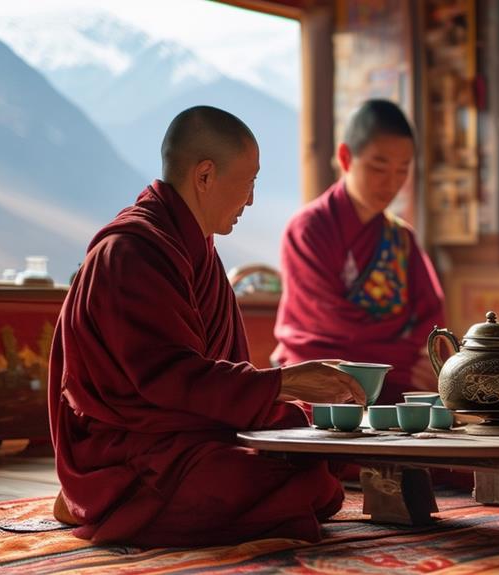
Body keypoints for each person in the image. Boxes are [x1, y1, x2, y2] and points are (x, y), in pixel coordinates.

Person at [49, 106, 367, 547]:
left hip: (187, 433)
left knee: (304, 437)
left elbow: (212, 381)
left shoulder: (194, 251)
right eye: (249, 181)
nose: (251, 200)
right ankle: (99, 501)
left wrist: (285, 398)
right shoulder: (130, 253)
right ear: (204, 176)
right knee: (286, 481)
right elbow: (168, 378)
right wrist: (281, 382)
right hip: (127, 451)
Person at [274, 100, 445, 404]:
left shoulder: (401, 238)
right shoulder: (308, 229)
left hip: (395, 381)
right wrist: (402, 358)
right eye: (379, 167)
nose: (392, 183)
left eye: (402, 170)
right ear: (345, 157)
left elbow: (431, 318)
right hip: (324, 379)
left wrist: (427, 361)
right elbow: (331, 327)